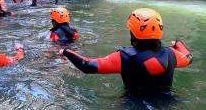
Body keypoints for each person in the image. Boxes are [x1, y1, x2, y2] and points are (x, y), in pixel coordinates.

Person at [60, 8, 193, 90]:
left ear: (133, 32)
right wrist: (178, 43)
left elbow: (87, 65)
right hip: (168, 103)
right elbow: (188, 58)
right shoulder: (172, 54)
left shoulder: (124, 57)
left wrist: (66, 51)